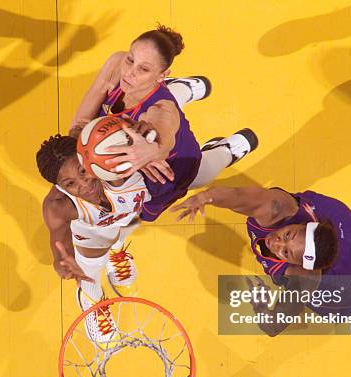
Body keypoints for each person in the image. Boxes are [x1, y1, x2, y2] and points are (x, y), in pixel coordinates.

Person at [62, 24, 258, 301]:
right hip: (136, 164)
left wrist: (153, 149)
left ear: (160, 74)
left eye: (143, 68)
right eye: (132, 59)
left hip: (176, 169)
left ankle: (224, 148)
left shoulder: (161, 110)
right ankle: (185, 89)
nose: (129, 71)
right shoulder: (118, 64)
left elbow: (164, 132)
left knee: (204, 173)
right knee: (114, 217)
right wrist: (82, 149)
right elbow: (80, 123)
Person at [171, 186, 351, 342]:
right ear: (303, 223)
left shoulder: (307, 280)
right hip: (342, 222)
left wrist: (259, 303)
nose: (276, 243)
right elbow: (239, 196)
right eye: (288, 235)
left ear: (302, 267)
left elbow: (272, 325)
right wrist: (206, 196)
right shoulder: (279, 209)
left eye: (287, 253)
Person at [36, 134, 150, 343]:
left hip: (123, 214)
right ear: (61, 187)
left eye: (82, 170)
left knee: (128, 218)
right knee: (90, 263)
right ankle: (90, 298)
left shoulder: (115, 161)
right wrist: (64, 263)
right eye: (70, 183)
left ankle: (116, 249)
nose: (85, 184)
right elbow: (59, 247)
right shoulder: (58, 205)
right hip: (90, 229)